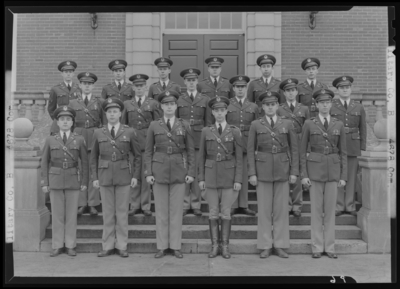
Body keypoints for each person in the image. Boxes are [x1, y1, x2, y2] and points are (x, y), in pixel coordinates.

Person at [144, 90, 195, 259]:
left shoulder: (184, 124)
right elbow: (148, 151)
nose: (169, 107)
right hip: (159, 171)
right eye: (166, 104)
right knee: (161, 211)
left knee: (176, 211)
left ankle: (175, 246)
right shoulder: (154, 125)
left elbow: (190, 151)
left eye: (172, 104)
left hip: (179, 170)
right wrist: (148, 173)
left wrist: (191, 172)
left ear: (176, 105)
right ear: (161, 106)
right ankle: (161, 246)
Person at [247, 91, 299, 259]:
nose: (270, 107)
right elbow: (250, 150)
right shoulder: (256, 124)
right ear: (262, 107)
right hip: (262, 171)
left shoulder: (288, 123)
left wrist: (294, 172)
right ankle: (265, 245)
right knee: (263, 210)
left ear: (278, 106)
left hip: (283, 170)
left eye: (273, 104)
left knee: (281, 210)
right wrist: (252, 173)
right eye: (267, 105)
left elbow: (294, 150)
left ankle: (280, 244)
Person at [90, 98, 142, 258]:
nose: (112, 114)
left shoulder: (129, 131)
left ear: (120, 113)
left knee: (122, 212)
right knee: (107, 212)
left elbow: (138, 156)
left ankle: (121, 245)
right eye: (109, 112)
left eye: (115, 111)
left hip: (123, 174)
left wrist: (135, 176)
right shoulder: (98, 132)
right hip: (105, 175)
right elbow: (93, 157)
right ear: (105, 114)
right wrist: (95, 177)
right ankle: (107, 245)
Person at [300, 89, 347, 259]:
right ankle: (317, 247)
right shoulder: (309, 124)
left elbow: (343, 153)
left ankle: (330, 247)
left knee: (330, 211)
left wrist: (343, 176)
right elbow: (302, 150)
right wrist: (304, 175)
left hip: (333, 171)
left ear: (331, 104)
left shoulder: (338, 124)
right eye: (322, 102)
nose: (325, 105)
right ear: (317, 105)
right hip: (314, 171)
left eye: (328, 102)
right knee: (316, 211)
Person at [198, 96, 243, 259]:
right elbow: (201, 157)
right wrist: (201, 178)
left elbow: (239, 158)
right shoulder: (205, 131)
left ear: (226, 111)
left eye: (222, 110)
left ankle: (225, 246)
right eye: (216, 110)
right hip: (210, 176)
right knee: (212, 212)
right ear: (212, 112)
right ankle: (214, 246)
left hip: (229, 176)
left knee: (225, 213)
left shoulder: (234, 131)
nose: (219, 113)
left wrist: (238, 179)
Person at [41, 106, 89, 257]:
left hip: (73, 178)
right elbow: (44, 162)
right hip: (55, 178)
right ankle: (57, 245)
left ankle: (70, 245)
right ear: (57, 122)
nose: (65, 122)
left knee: (71, 215)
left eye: (68, 119)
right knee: (57, 214)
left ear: (72, 122)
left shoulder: (79, 139)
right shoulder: (50, 139)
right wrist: (44, 182)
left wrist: (84, 182)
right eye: (62, 119)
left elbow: (85, 163)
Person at [121, 73, 161, 216]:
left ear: (146, 87)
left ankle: (145, 205)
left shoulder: (153, 104)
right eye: (136, 86)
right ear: (132, 88)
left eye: (141, 86)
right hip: (131, 144)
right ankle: (134, 204)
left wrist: (156, 143)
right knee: (133, 174)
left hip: (146, 143)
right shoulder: (127, 104)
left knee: (145, 174)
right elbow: (124, 125)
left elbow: (157, 125)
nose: (139, 89)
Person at [177, 68, 213, 217]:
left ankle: (196, 203)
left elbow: (208, 122)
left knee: (198, 173)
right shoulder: (179, 99)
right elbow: (177, 122)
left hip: (199, 139)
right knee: (185, 171)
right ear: (184, 82)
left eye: (193, 80)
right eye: (188, 80)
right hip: (183, 140)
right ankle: (185, 204)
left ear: (197, 82)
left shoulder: (205, 100)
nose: (191, 83)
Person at [331, 76, 366, 216]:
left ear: (351, 89)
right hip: (337, 144)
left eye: (347, 87)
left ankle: (350, 205)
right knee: (338, 174)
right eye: (342, 88)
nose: (345, 90)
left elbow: (363, 127)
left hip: (353, 144)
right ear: (337, 90)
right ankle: (339, 205)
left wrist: (362, 146)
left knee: (351, 175)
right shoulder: (332, 106)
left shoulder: (359, 106)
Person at [69, 72, 103, 216]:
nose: (87, 86)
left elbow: (104, 123)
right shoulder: (73, 103)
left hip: (94, 136)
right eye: (84, 84)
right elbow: (68, 124)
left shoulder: (99, 102)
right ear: (80, 85)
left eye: (90, 84)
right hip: (79, 136)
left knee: (93, 169)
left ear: (93, 86)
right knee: (81, 170)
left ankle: (93, 203)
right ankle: (82, 203)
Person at [277, 78, 310, 217]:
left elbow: (308, 129)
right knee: (285, 174)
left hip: (300, 142)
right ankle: (287, 204)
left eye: (293, 90)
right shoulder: (279, 109)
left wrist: (308, 148)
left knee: (297, 173)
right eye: (287, 91)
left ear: (297, 91)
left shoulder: (304, 109)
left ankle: (297, 205)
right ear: (284, 93)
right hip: (284, 143)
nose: (290, 93)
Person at [226, 75, 258, 216]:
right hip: (230, 144)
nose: (240, 89)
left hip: (247, 144)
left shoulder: (253, 106)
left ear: (246, 88)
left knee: (244, 174)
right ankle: (232, 204)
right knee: (232, 174)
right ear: (233, 89)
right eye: (237, 87)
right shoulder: (227, 105)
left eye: (243, 87)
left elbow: (257, 127)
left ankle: (243, 205)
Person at [48, 60, 81, 135]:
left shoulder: (79, 88)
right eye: (66, 72)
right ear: (62, 74)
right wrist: (59, 119)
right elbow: (51, 109)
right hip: (61, 123)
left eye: (70, 72)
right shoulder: (55, 89)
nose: (68, 74)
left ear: (73, 74)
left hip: (76, 123)